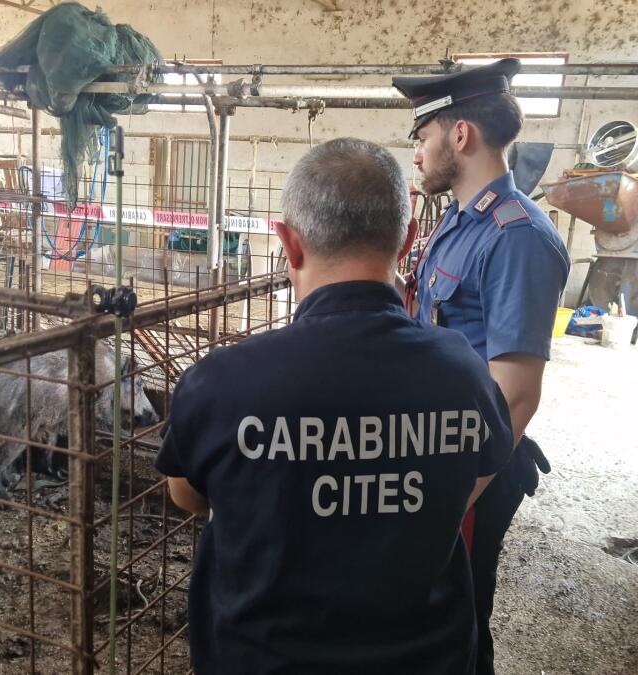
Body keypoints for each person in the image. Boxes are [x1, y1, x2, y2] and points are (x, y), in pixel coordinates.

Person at [156, 137, 516, 674]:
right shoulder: (463, 372)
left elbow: (187, 495)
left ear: (288, 244)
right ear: (410, 237)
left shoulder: (220, 384)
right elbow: (471, 480)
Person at [393, 59, 571, 675]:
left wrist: (451, 501)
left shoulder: (516, 237)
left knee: (459, 626)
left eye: (423, 137)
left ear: (459, 136)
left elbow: (517, 392)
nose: (418, 153)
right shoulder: (462, 218)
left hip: (469, 469)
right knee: (425, 615)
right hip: (435, 451)